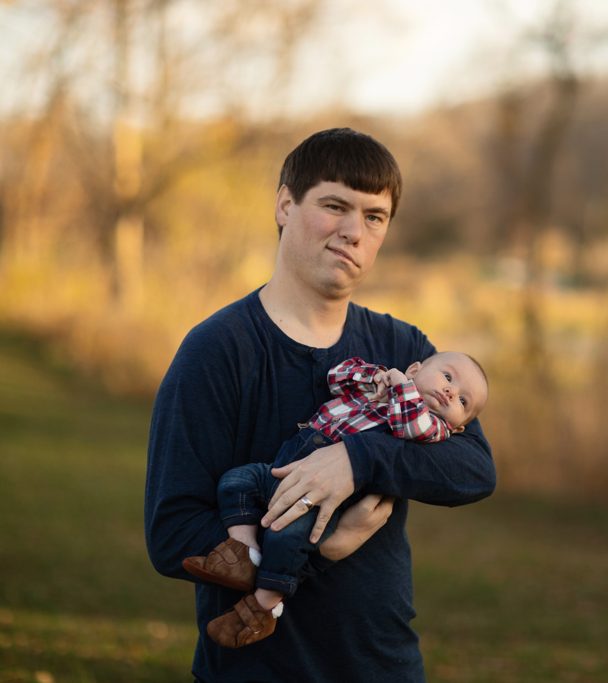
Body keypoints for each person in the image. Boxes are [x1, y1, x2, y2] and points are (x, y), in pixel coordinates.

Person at [144, 128, 496, 681]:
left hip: (384, 663)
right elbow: (173, 535)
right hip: (254, 670)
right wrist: (321, 547)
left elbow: (474, 469)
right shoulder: (218, 350)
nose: (354, 231)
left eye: (374, 217)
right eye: (335, 205)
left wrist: (357, 460)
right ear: (285, 205)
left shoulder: (403, 349)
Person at [183, 351, 489, 648]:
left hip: (320, 504)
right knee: (237, 481)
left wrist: (402, 387)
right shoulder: (377, 390)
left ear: (459, 426)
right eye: (447, 377)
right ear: (414, 369)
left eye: (463, 401)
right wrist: (375, 377)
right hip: (284, 470)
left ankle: (262, 607)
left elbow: (411, 426)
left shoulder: (433, 428)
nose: (451, 392)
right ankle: (243, 552)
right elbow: (336, 378)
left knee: (285, 538)